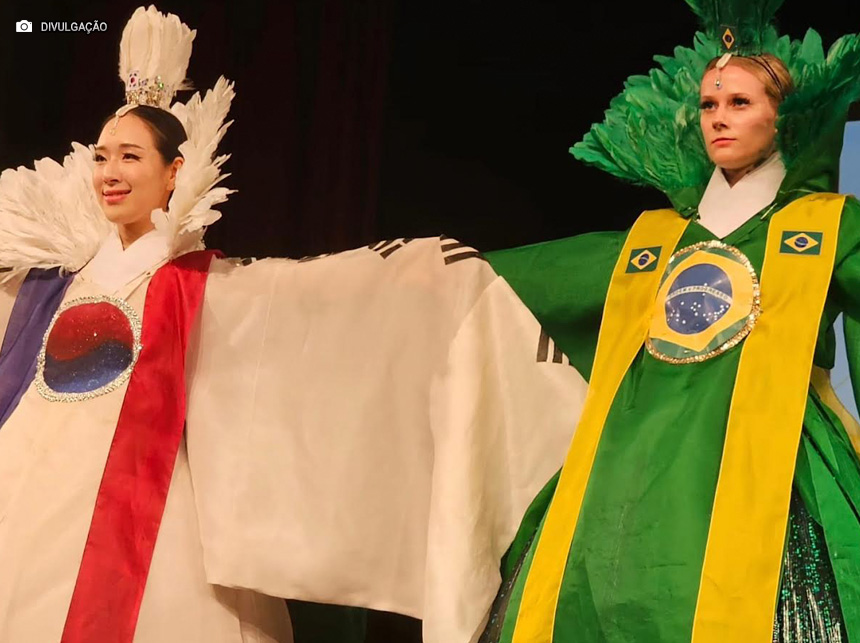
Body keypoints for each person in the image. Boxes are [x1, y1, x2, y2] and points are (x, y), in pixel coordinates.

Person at [0, 6, 585, 642]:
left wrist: (420, 274)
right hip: (34, 484)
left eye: (131, 157)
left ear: (174, 173)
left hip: (152, 504)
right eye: (102, 156)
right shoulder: (56, 284)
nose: (110, 173)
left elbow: (309, 300)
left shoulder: (201, 285)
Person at [480, 1, 860, 641]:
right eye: (710, 104)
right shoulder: (654, 239)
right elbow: (525, 276)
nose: (719, 118)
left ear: (784, 117)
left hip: (774, 461)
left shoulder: (827, 226)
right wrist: (428, 267)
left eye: (740, 102)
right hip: (635, 458)